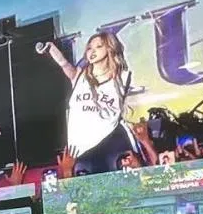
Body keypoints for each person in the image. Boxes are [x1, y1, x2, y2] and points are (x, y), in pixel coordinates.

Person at [39, 32, 141, 175]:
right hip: (81, 149)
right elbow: (63, 63)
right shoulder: (79, 76)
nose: (92, 51)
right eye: (89, 48)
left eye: (99, 46)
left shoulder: (121, 78)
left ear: (110, 48)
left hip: (111, 142)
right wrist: (51, 48)